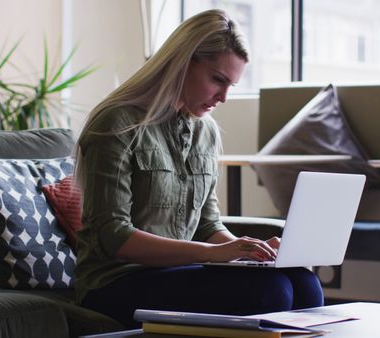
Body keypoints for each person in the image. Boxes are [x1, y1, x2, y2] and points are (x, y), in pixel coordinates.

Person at [73, 9, 323, 329]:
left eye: (231, 85)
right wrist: (212, 253)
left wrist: (248, 254)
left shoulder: (206, 132)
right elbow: (114, 237)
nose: (224, 97)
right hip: (115, 283)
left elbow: (207, 225)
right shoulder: (116, 123)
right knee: (272, 291)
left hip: (176, 275)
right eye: (218, 80)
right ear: (182, 61)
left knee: (303, 283)